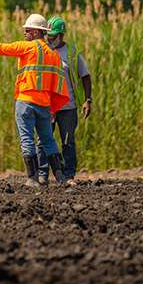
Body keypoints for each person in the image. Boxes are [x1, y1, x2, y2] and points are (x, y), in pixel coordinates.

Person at [0, 13, 68, 187]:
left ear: (38, 32)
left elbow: (0, 48)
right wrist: (52, 109)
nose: (25, 32)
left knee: (27, 139)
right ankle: (61, 177)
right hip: (44, 105)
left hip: (25, 102)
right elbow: (58, 85)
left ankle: (32, 178)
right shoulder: (54, 55)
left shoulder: (26, 48)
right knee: (48, 140)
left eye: (28, 30)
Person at [37, 15, 93, 184]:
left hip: (68, 107)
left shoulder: (72, 53)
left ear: (62, 35)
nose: (49, 39)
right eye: (48, 35)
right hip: (47, 105)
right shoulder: (44, 51)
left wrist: (87, 99)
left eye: (53, 36)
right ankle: (43, 175)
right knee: (42, 141)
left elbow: (85, 76)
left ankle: (69, 175)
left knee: (68, 141)